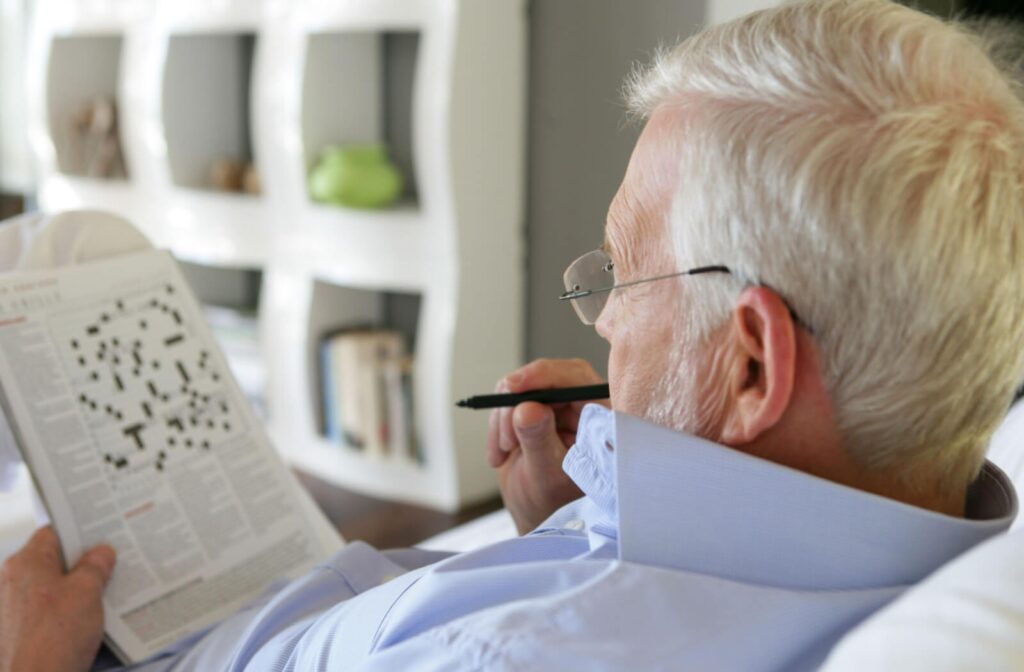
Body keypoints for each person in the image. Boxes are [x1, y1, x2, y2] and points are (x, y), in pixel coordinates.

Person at [4, 0, 1024, 669]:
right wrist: (573, 524)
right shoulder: (895, 510)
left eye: (625, 272)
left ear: (750, 363)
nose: (606, 316)